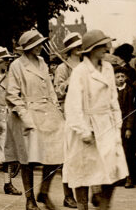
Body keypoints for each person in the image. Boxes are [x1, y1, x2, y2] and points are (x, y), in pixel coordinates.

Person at [63, 29, 129, 210]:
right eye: (102, 46)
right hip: (85, 126)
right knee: (83, 171)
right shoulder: (80, 72)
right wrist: (83, 131)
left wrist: (117, 123)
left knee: (114, 170)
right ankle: (82, 206)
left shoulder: (108, 68)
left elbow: (113, 98)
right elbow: (73, 106)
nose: (106, 49)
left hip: (106, 124)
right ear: (91, 49)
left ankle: (103, 206)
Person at [6, 29, 65, 210]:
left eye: (40, 44)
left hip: (47, 112)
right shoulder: (17, 65)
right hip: (27, 113)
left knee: (57, 153)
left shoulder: (42, 63)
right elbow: (11, 94)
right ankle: (29, 199)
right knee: (28, 159)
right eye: (36, 45)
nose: (40, 47)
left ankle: (44, 192)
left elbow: (49, 88)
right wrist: (24, 115)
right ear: (27, 48)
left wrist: (56, 109)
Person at [53, 32, 83, 208]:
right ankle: (68, 194)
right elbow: (57, 92)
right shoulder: (62, 68)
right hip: (68, 114)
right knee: (69, 156)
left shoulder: (86, 65)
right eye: (77, 47)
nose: (80, 49)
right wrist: (70, 81)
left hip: (84, 113)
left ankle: (89, 193)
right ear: (71, 50)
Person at [0, 47, 23, 196]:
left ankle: (7, 183)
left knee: (8, 154)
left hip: (5, 117)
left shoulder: (9, 78)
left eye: (9, 60)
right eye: (5, 60)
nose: (8, 63)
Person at [114, 66, 136, 188]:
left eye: (122, 76)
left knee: (127, 152)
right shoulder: (112, 91)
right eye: (118, 76)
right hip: (115, 125)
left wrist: (129, 128)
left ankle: (130, 177)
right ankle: (119, 177)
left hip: (125, 126)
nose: (120, 79)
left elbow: (131, 110)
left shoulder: (129, 91)